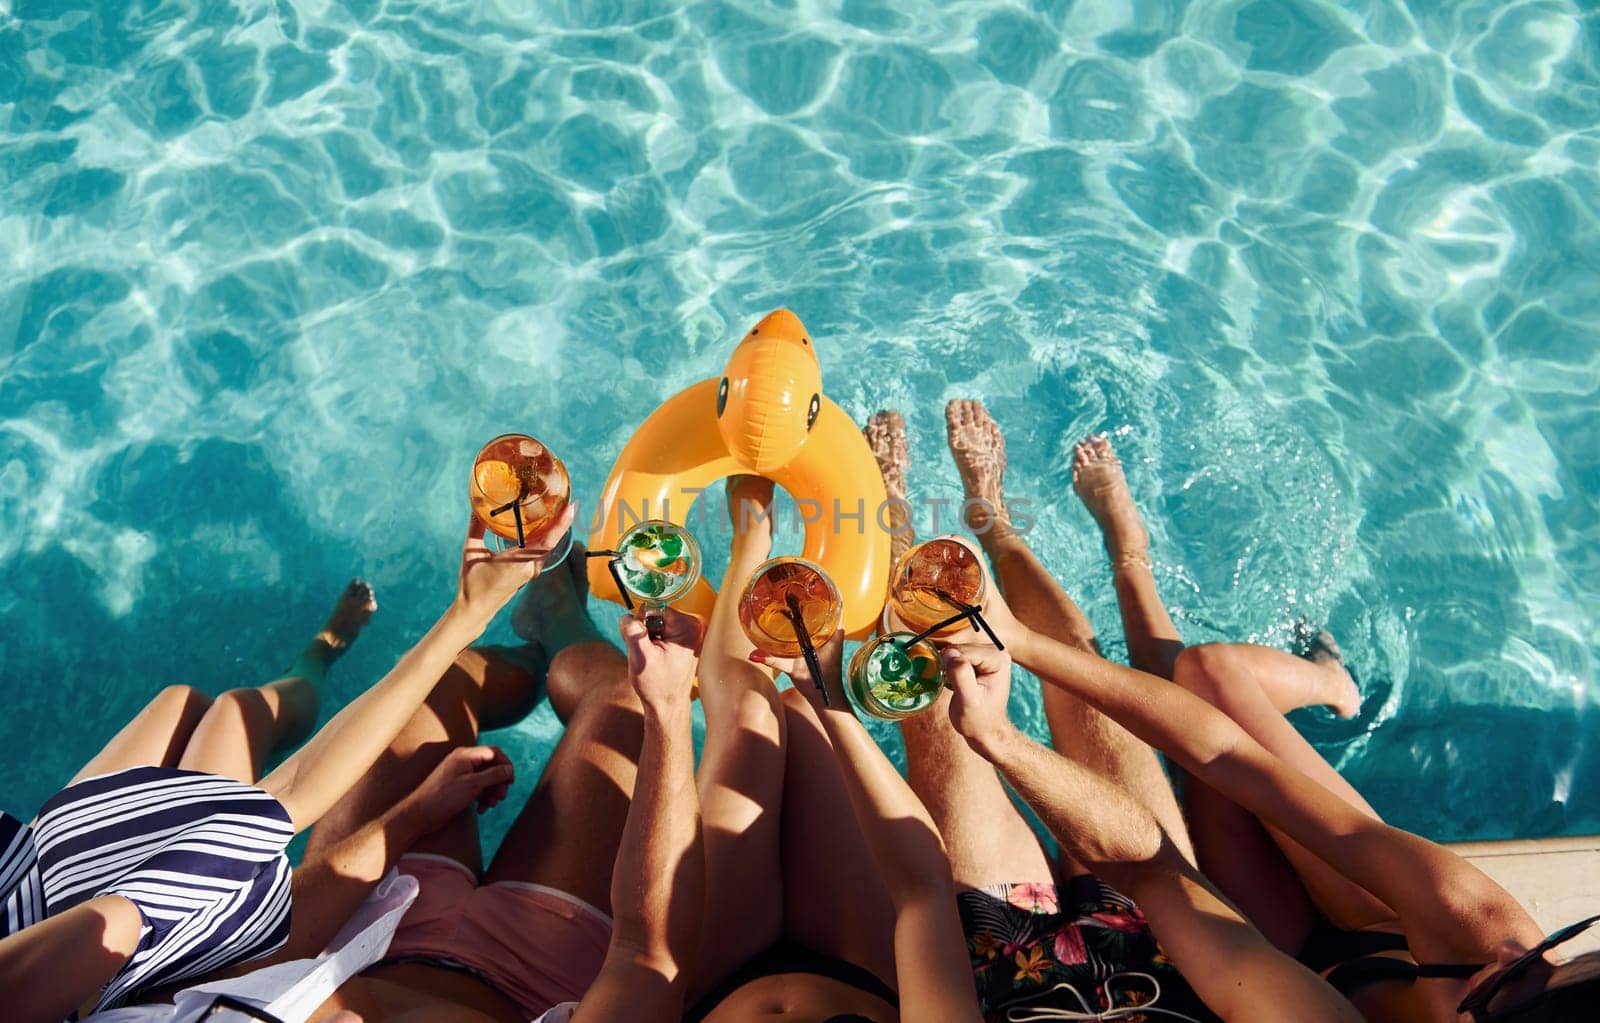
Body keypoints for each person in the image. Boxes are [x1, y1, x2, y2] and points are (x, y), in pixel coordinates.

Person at [1047, 429, 1600, 1022]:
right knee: (1207, 675)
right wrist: (1029, 647)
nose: (1517, 957)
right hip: (1376, 924)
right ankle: (1327, 678)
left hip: (1294, 969)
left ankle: (1129, 560)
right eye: (1548, 956)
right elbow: (1227, 756)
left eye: (1506, 990)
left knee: (1178, 790)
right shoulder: (1486, 932)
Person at [0, 505, 573, 1023]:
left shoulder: (95, 940)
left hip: (43, 897)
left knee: (185, 706)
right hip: (101, 933)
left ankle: (318, 657)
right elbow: (290, 794)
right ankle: (318, 658)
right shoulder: (111, 935)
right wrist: (465, 617)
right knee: (230, 713)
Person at [867, 404, 1221, 1020]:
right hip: (1164, 950)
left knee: (934, 705)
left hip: (1006, 975)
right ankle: (993, 519)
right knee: (1084, 685)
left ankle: (893, 513)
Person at [293, 548, 705, 1023]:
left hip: (361, 936)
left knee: (439, 683)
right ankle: (560, 625)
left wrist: (409, 818)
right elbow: (646, 957)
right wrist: (669, 708)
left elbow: (265, 926)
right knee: (624, 701)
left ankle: (533, 656)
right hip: (540, 977)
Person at [681, 474, 979, 1023]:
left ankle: (750, 540)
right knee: (798, 715)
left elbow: (635, 952)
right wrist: (829, 700)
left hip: (706, 988)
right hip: (859, 972)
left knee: (747, 715)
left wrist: (664, 714)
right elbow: (923, 889)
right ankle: (756, 546)